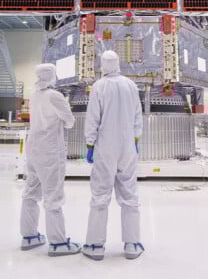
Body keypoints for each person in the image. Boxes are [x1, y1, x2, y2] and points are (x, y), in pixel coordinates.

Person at [82, 50, 144, 261]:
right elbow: (138, 115)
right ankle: (132, 244)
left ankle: (95, 245)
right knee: (129, 195)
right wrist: (136, 140)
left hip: (105, 147)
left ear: (103, 65)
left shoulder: (99, 87)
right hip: (127, 147)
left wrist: (90, 143)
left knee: (100, 195)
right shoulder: (130, 85)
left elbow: (93, 117)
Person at [19, 63, 81, 257]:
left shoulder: (35, 95)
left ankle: (29, 236)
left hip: (33, 148)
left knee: (30, 192)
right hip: (49, 150)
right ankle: (58, 242)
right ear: (52, 76)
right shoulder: (55, 96)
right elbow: (70, 122)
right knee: (53, 195)